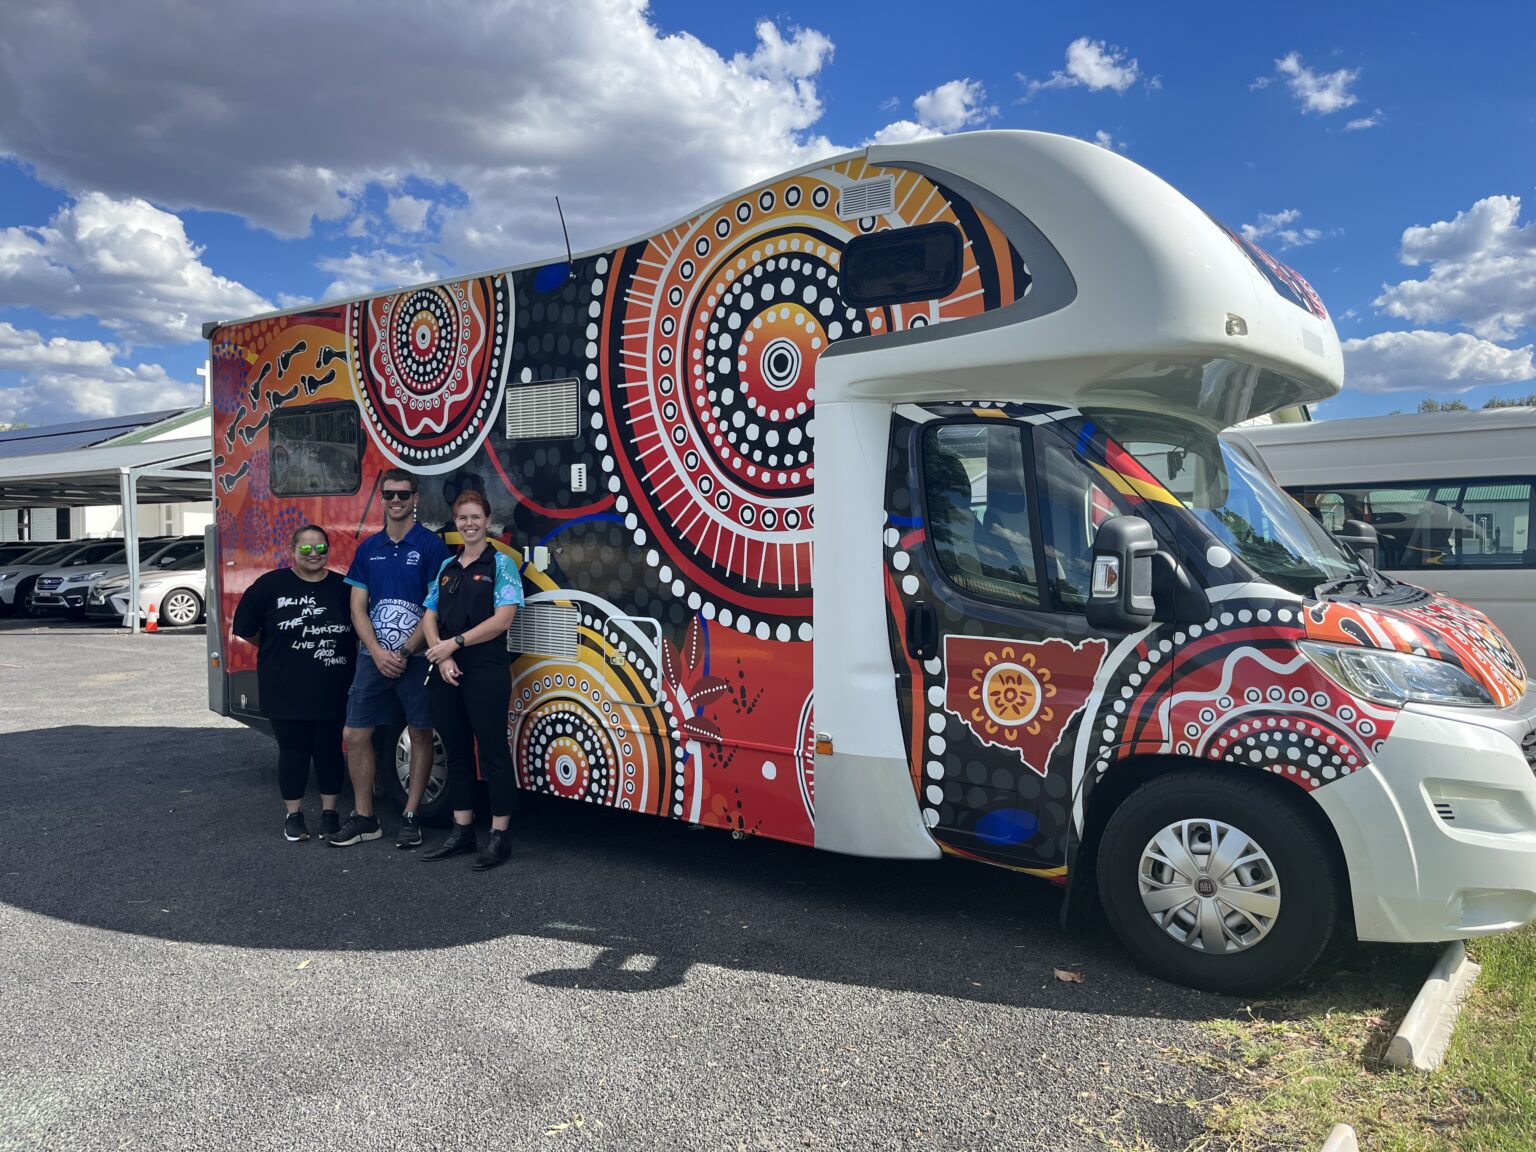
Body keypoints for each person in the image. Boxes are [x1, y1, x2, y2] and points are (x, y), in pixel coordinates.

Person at [333, 469, 450, 849]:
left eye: (403, 494)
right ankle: (366, 817)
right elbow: (357, 608)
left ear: (416, 498)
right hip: (373, 658)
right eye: (389, 495)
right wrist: (379, 652)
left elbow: (435, 607)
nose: (396, 501)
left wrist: (403, 651)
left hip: (416, 659)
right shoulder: (369, 547)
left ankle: (411, 815)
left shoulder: (431, 546)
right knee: (355, 733)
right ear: (381, 499)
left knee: (419, 733)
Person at [231, 525, 358, 842]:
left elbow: (359, 632)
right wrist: (278, 648)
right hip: (284, 687)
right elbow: (246, 629)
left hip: (333, 686)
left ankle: (331, 814)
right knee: (293, 752)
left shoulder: (344, 588)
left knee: (329, 751)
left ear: (329, 550)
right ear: (292, 550)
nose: (314, 554)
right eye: (306, 549)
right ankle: (294, 816)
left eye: (320, 548)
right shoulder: (269, 586)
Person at [419, 490, 524, 871]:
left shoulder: (501, 565)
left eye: (475, 517)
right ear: (455, 522)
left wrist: (455, 644)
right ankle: (462, 830)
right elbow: (429, 613)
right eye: (462, 518)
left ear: (488, 519)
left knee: (492, 748)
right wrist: (441, 652)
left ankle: (499, 836)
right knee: (457, 749)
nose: (469, 524)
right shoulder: (448, 565)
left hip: (485, 666)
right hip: (447, 668)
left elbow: (503, 619)